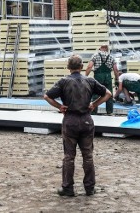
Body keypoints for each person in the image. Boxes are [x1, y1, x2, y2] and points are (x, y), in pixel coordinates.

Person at [44, 55, 112, 197]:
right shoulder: (90, 81)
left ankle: (68, 188)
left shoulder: (63, 82)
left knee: (69, 157)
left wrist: (60, 106)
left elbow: (47, 96)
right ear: (81, 67)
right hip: (87, 121)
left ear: (68, 67)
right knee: (88, 155)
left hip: (70, 121)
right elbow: (108, 94)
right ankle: (89, 188)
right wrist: (94, 104)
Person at [85, 44, 119, 114]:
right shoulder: (111, 57)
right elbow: (116, 69)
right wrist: (116, 79)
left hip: (98, 76)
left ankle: (94, 111)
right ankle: (109, 112)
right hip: (108, 77)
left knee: (96, 94)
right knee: (109, 94)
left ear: (100, 48)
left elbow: (89, 67)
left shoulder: (95, 55)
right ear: (107, 49)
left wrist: (85, 76)